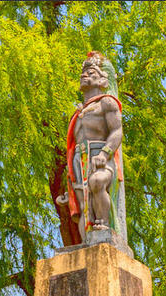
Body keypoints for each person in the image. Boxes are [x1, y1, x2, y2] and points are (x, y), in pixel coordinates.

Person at [56, 52, 125, 242]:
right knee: (82, 203)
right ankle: (86, 243)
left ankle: (103, 224)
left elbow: (117, 131)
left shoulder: (107, 103)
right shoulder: (78, 113)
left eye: (91, 71)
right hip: (80, 160)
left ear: (103, 80)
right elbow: (73, 146)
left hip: (100, 154)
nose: (84, 75)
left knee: (97, 183)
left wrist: (105, 153)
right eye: (83, 72)